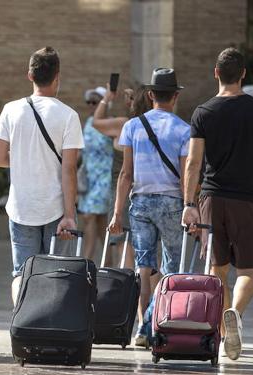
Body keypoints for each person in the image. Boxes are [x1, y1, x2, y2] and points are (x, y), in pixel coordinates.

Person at [182, 48, 253, 361]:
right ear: (243, 74)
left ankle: (226, 331)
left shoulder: (203, 112)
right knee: (248, 271)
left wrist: (189, 202)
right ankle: (235, 314)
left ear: (215, 73)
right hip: (247, 201)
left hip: (212, 200)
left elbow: (193, 162)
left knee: (217, 270)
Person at [0, 46, 84, 305]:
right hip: (56, 208)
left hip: (21, 207)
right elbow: (68, 169)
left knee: (21, 273)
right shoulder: (68, 116)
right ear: (57, 76)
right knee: (57, 273)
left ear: (29, 76)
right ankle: (50, 328)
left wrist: (22, 160)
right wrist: (69, 214)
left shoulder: (11, 110)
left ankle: (21, 324)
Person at [108, 68, 190, 347]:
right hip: (171, 203)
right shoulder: (183, 129)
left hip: (140, 203)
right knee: (170, 268)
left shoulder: (132, 127)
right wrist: (192, 206)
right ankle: (153, 324)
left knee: (144, 268)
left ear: (151, 94)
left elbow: (125, 175)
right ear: (176, 96)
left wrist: (117, 213)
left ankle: (142, 330)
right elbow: (185, 177)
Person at [94, 84, 151, 267]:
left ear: (131, 103)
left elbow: (96, 121)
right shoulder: (152, 126)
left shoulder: (123, 125)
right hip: (146, 191)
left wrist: (107, 98)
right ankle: (152, 295)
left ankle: (128, 292)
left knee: (123, 244)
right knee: (148, 251)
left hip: (121, 191)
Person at [77, 86, 113, 261]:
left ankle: (87, 259)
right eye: (89, 102)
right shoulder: (87, 125)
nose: (91, 105)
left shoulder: (110, 123)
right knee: (100, 222)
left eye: (95, 101)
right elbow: (80, 153)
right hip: (89, 178)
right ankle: (108, 260)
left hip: (104, 178)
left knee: (89, 216)